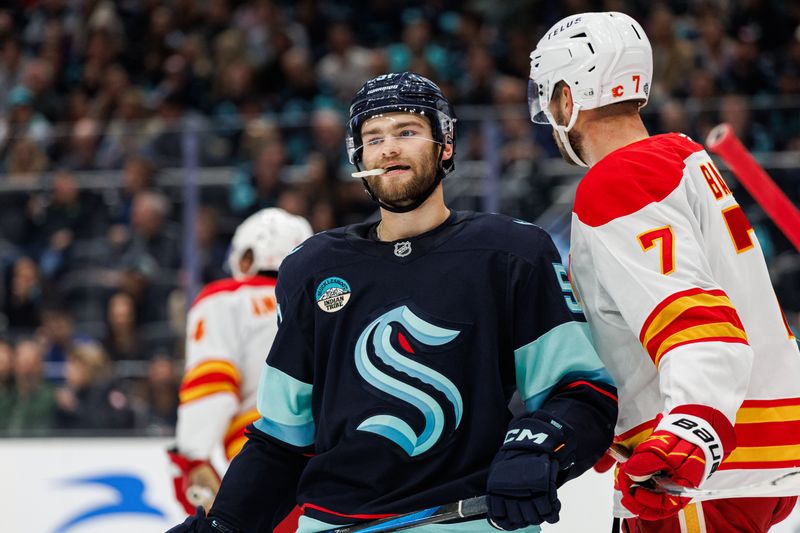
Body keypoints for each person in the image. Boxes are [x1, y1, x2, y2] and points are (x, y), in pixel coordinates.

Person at [167, 72, 618, 533]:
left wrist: (540, 449)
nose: (389, 148)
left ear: (445, 144)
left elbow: (583, 393)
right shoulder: (312, 268)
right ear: (357, 155)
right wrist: (224, 524)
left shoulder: (510, 254)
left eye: (407, 131)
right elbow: (283, 441)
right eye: (374, 137)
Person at [527, 12, 800, 533]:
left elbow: (698, 322)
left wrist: (690, 433)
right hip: (750, 455)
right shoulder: (682, 157)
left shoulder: (619, 179)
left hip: (697, 474)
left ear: (567, 97)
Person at [168, 208, 313, 523]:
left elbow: (214, 383)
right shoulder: (329, 300)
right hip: (335, 470)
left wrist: (193, 456)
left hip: (269, 465)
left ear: (247, 257)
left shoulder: (225, 299)